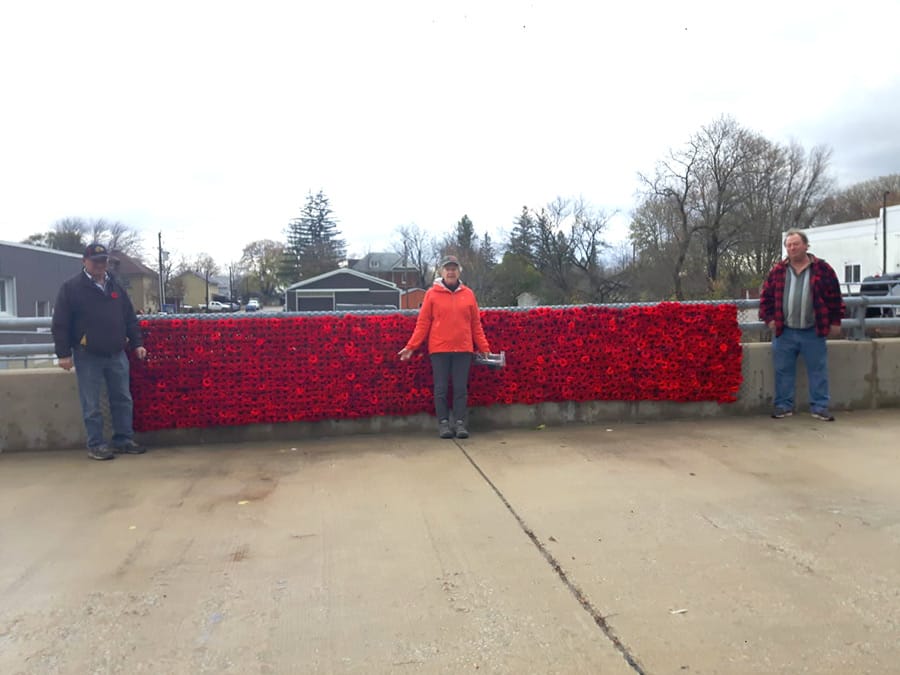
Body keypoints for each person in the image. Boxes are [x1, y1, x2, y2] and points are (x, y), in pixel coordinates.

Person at [51, 243, 148, 460]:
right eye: (95, 261)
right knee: (91, 404)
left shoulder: (115, 285)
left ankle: (123, 440)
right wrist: (63, 354)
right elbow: (60, 323)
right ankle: (96, 444)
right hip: (87, 354)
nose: (100, 265)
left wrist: (137, 343)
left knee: (122, 399)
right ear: (84, 262)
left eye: (103, 261)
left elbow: (129, 317)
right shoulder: (71, 288)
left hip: (117, 352)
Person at [398, 255, 491, 439]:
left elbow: (475, 324)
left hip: (463, 349)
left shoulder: (469, 294)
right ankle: (443, 424)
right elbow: (423, 323)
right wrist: (411, 346)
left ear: (459, 272)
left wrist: (484, 347)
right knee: (441, 389)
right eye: (447, 269)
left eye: (454, 269)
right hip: (439, 350)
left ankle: (460, 423)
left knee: (460, 389)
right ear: (441, 272)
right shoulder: (431, 294)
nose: (450, 272)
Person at [759, 229, 844, 421]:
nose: (792, 248)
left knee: (818, 371)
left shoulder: (823, 269)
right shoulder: (778, 271)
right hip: (784, 331)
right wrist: (770, 319)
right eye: (789, 245)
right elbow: (766, 298)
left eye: (796, 244)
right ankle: (783, 406)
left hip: (814, 330)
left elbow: (835, 297)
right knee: (783, 371)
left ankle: (820, 407)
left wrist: (835, 321)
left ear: (806, 246)